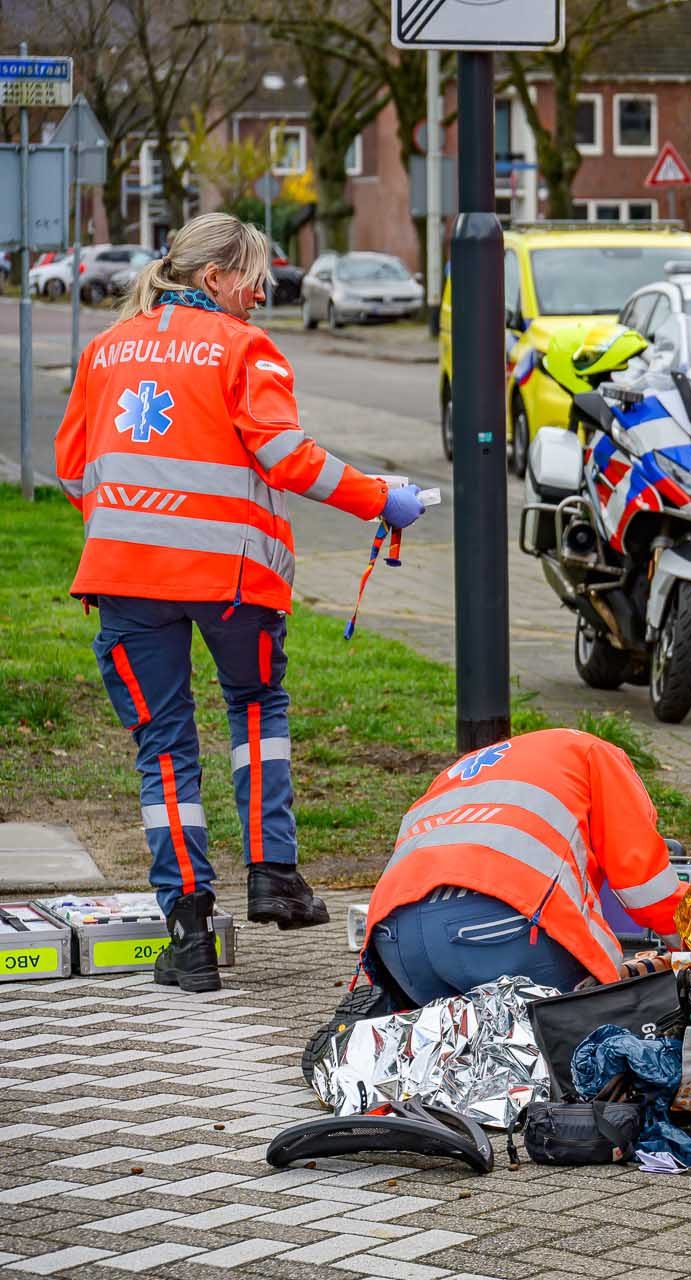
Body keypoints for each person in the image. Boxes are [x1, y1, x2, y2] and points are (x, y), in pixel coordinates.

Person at [54, 212, 426, 995]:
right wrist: (380, 498)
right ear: (215, 277)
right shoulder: (241, 347)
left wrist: (131, 528)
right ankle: (274, 876)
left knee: (162, 746)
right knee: (256, 707)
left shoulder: (104, 349)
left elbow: (72, 468)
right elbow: (287, 458)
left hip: (124, 580)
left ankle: (188, 935)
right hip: (229, 583)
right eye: (253, 275)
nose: (262, 292)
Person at [364, 728, 685, 1007]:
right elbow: (644, 885)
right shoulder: (597, 755)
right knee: (584, 1027)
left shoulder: (463, 770)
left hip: (393, 938)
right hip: (502, 927)